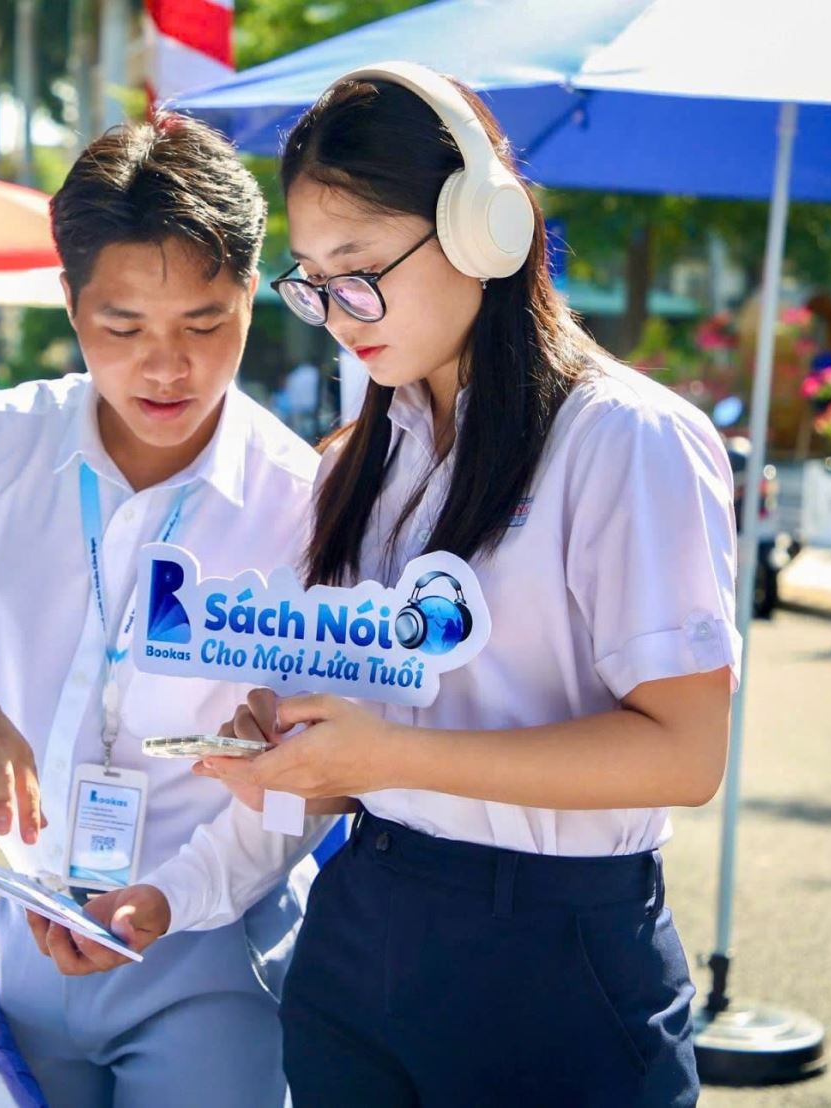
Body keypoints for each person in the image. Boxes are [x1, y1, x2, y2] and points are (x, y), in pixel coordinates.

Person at [90, 65, 738, 1107]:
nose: (339, 315)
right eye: (311, 281)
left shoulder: (624, 441)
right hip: (361, 938)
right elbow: (369, 734)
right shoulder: (364, 459)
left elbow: (683, 751)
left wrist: (388, 753)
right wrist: (291, 755)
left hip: (554, 965)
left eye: (360, 270)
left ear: (482, 230)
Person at [0, 114, 329, 1108]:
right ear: (70, 304)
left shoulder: (303, 504)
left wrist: (169, 899)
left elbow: (297, 785)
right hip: (27, 928)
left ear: (253, 299)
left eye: (204, 325)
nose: (165, 370)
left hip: (210, 948)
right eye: (122, 329)